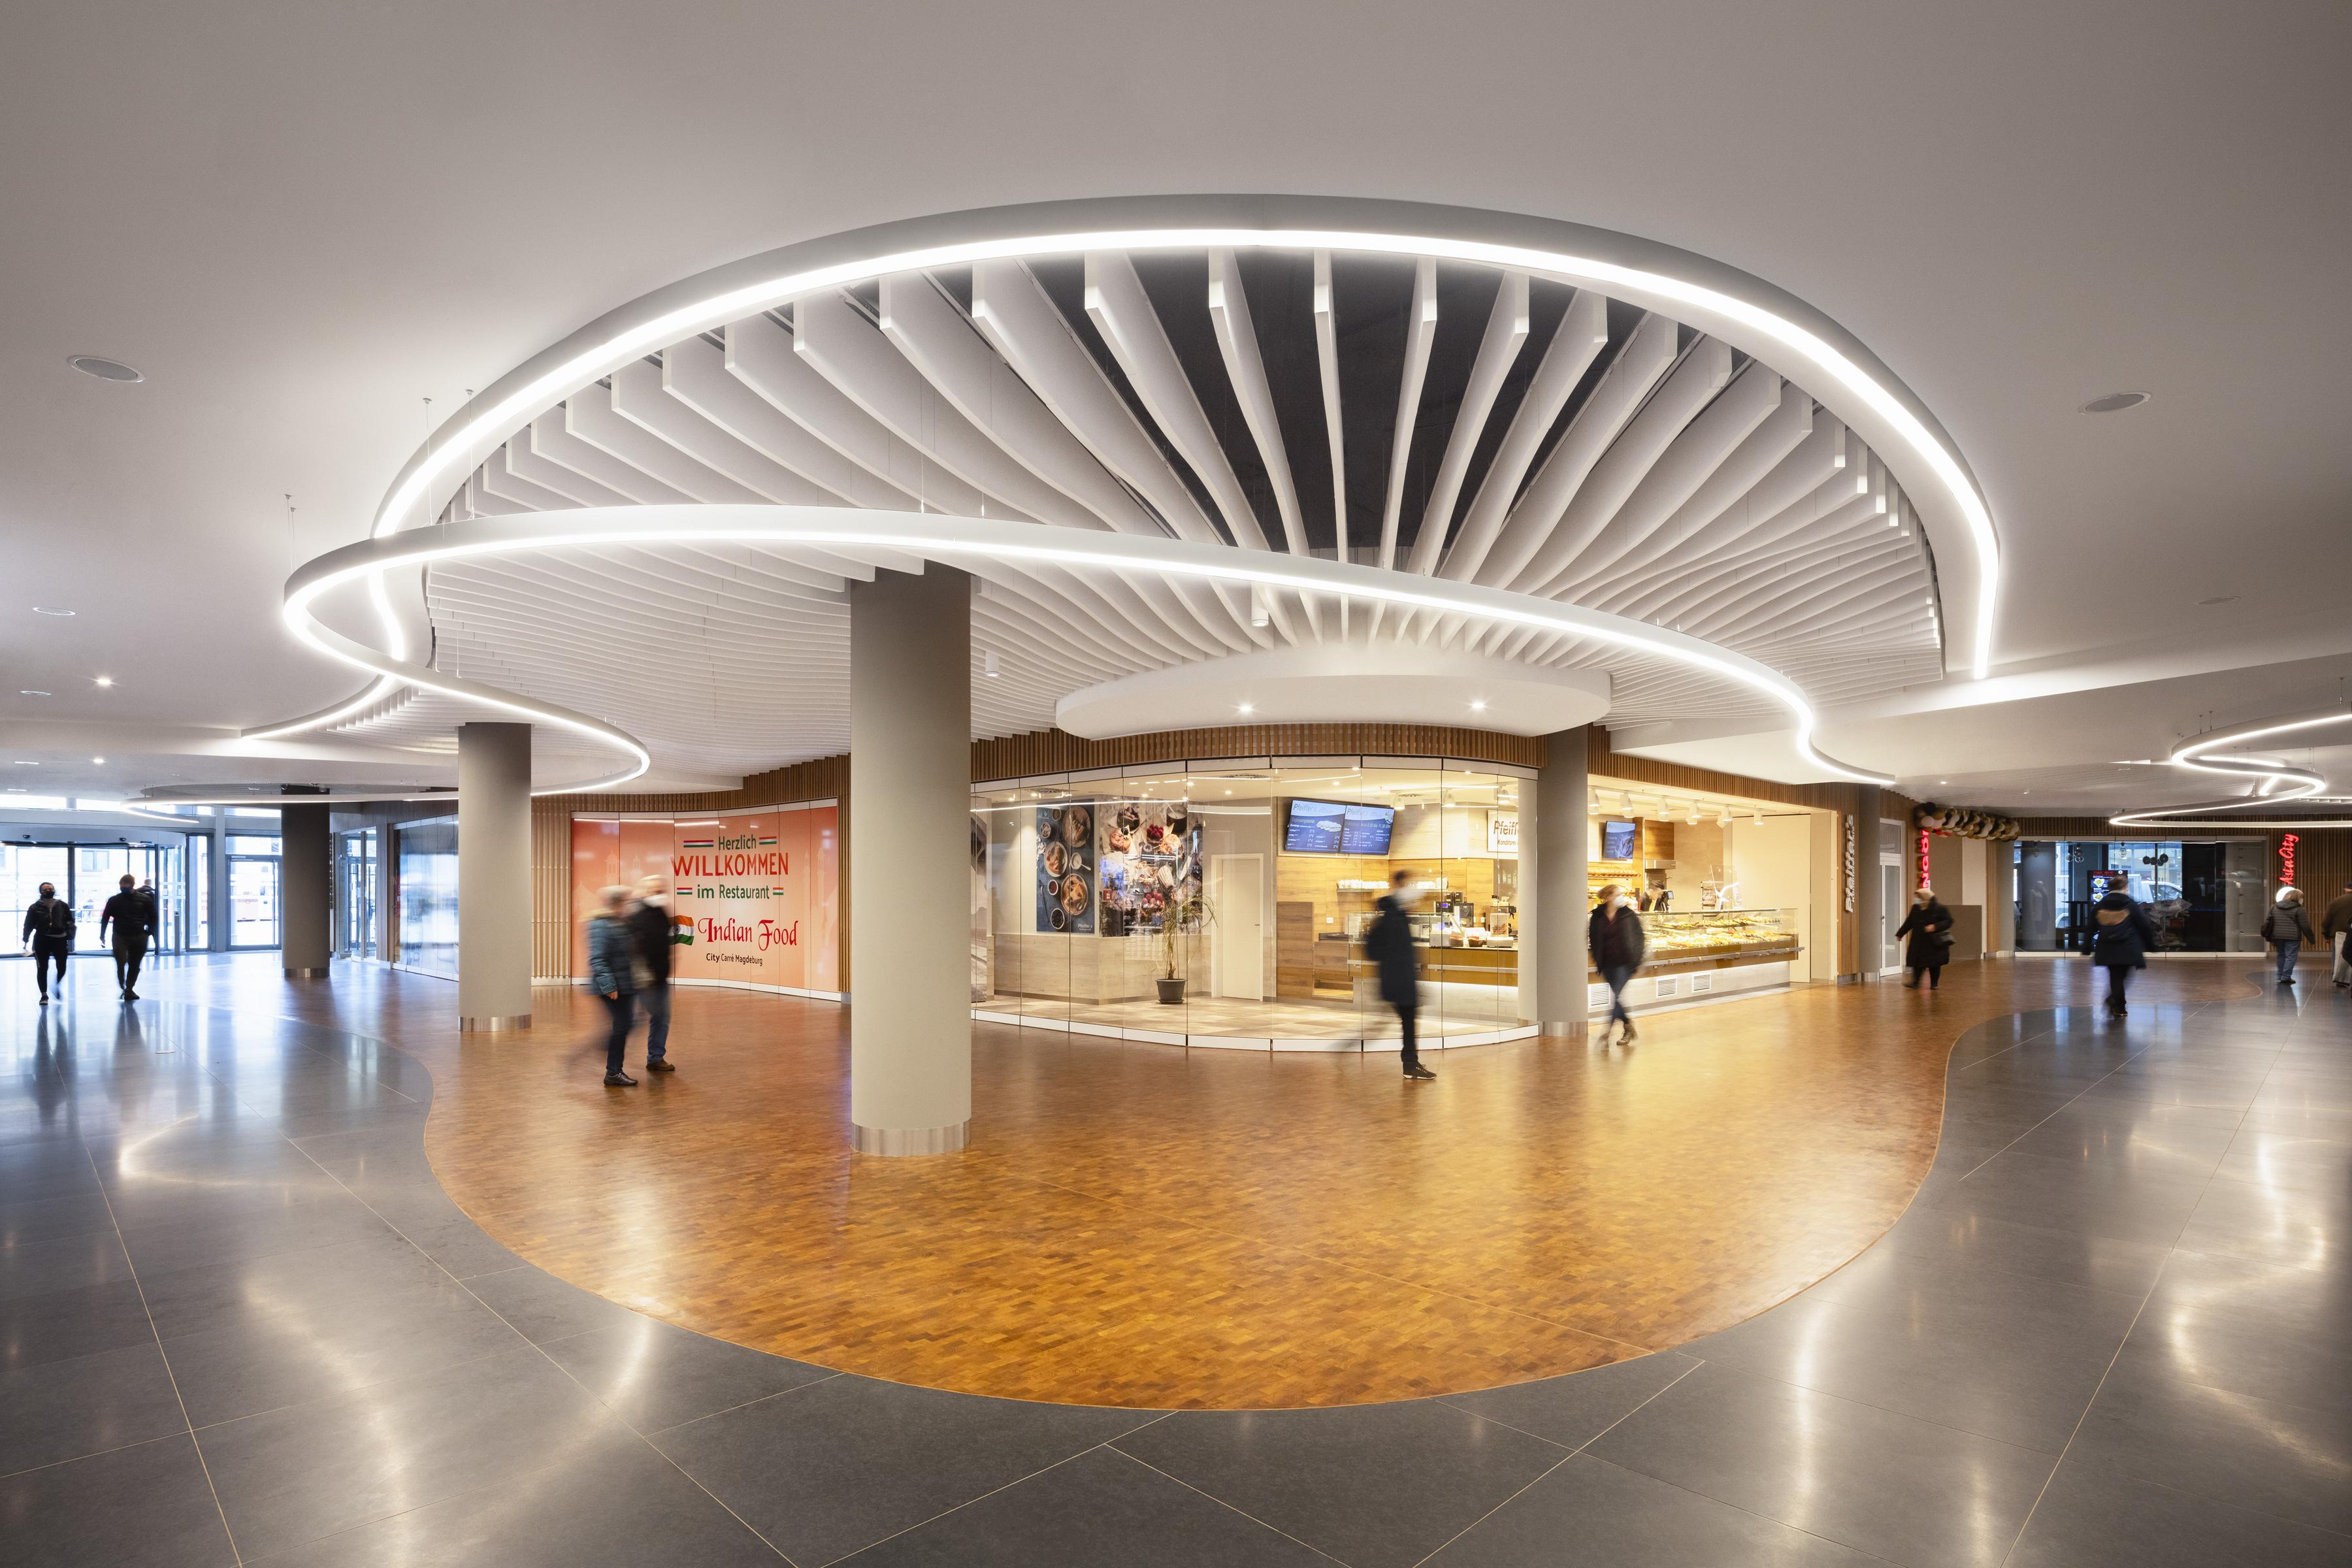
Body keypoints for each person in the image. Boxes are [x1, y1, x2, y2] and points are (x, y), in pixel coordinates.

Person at [1366, 870, 1433, 1079]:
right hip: (1399, 982)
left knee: (1408, 1023)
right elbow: (1373, 949)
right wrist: (1395, 964)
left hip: (1399, 981)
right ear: (1399, 887)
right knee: (1408, 1023)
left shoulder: (1396, 916)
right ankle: (1410, 1064)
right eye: (1408, 885)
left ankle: (1411, 1063)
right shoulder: (1392, 918)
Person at [586, 885, 640, 1086]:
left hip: (625, 984)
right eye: (625, 901)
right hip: (614, 987)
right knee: (622, 1026)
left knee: (625, 1025)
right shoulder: (601, 925)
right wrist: (609, 986)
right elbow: (598, 958)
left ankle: (612, 1065)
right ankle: (613, 1072)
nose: (628, 905)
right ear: (617, 903)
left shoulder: (619, 922)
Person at [624, 874, 677, 1073]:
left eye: (661, 890)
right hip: (643, 979)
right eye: (655, 891)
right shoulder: (637, 915)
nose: (660, 894)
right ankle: (611, 1056)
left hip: (660, 977)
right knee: (634, 1021)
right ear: (645, 892)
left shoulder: (661, 912)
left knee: (661, 1018)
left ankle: (655, 1058)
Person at [1589, 883, 1646, 1043]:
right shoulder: (1597, 916)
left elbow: (1639, 937)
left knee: (1616, 996)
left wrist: (1637, 959)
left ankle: (1607, 1032)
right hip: (1607, 963)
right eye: (1617, 895)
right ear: (1608, 898)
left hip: (1625, 963)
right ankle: (1628, 1026)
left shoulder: (1628, 915)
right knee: (1617, 996)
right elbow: (1594, 938)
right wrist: (1597, 958)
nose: (1621, 897)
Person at [2089, 889, 2157, 1017]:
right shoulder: (2131, 905)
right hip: (2128, 947)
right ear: (2124, 888)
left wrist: (2087, 946)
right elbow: (2144, 926)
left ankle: (2118, 1003)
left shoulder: (2100, 905)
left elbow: (2091, 927)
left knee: (2115, 976)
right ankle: (2118, 1004)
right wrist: (2150, 945)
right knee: (2124, 976)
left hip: (2108, 948)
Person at [99, 874, 157, 1001]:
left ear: (132, 885)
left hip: (139, 935)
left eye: (125, 884)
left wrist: (150, 931)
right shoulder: (114, 900)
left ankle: (129, 989)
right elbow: (105, 917)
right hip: (120, 935)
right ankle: (122, 983)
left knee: (135, 964)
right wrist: (102, 935)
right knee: (121, 960)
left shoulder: (145, 899)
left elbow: (154, 916)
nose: (122, 886)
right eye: (121, 884)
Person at [22, 882, 74, 1005]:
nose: (48, 891)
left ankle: (57, 983)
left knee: (62, 966)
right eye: (45, 889)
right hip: (42, 940)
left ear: (54, 890)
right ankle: (44, 995)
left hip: (60, 939)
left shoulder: (62, 905)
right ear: (40, 892)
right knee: (42, 968)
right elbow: (28, 924)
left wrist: (68, 931)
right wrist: (26, 939)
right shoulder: (35, 907)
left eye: (51, 889)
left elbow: (70, 920)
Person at [1895, 886, 1954, 990]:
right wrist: (1900, 934)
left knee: (1934, 964)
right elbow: (1909, 922)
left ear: (1926, 897)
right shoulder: (1916, 908)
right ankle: (1915, 983)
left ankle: (1934, 984)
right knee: (1917, 963)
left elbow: (1949, 921)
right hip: (1918, 941)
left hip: (1934, 942)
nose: (1917, 899)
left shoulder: (1939, 908)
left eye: (1919, 897)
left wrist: (1935, 927)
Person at [2262, 886, 2317, 987]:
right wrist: (2311, 939)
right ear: (2298, 898)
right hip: (2293, 936)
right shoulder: (2299, 909)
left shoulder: (2274, 907)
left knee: (2281, 955)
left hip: (2277, 935)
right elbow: (2305, 926)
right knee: (2291, 956)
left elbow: (2269, 921)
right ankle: (2286, 977)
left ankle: (2280, 976)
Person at [2321, 879, 2352, 990]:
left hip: (2340, 933)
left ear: (2346, 889)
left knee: (2338, 956)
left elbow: (2327, 920)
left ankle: (2339, 979)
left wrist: (2326, 935)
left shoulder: (2337, 901)